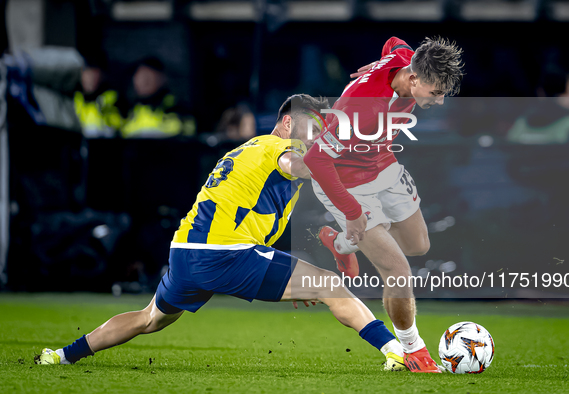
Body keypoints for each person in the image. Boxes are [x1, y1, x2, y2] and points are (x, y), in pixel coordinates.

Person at [35, 94, 411, 373]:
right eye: (311, 128)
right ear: (285, 124)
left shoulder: (250, 151)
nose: (316, 136)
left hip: (186, 252)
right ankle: (398, 351)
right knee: (331, 286)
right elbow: (295, 164)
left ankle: (61, 355)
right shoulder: (279, 146)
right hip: (226, 253)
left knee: (150, 319)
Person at [303, 36, 464, 373]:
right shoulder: (361, 109)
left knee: (419, 245)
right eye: (436, 93)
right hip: (343, 179)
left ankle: (342, 243)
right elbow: (317, 160)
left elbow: (395, 43)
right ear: (414, 79)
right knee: (397, 268)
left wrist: (380, 63)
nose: (441, 101)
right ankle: (413, 350)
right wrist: (352, 212)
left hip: (382, 163)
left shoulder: (407, 59)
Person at [120, 56, 195, 138]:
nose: (144, 82)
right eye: (139, 77)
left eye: (148, 76)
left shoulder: (178, 109)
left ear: (163, 78)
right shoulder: (125, 110)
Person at [74, 56, 124, 138]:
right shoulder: (74, 100)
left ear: (103, 75)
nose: (90, 78)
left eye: (95, 73)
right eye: (87, 72)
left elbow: (120, 126)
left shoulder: (114, 100)